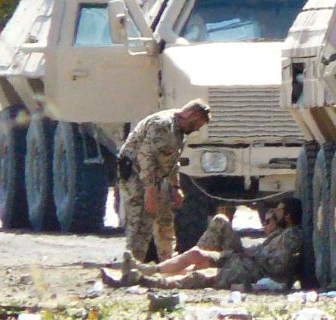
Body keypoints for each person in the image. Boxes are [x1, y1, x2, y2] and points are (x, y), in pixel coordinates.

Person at [103, 198, 303, 290]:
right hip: (242, 261)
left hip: (249, 270)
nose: (272, 215)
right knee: (198, 254)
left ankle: (143, 280)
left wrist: (250, 262)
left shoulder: (291, 237)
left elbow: (278, 266)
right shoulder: (282, 233)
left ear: (288, 216)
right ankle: (149, 270)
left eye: (278, 212)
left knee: (199, 275)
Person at [118, 99, 212, 262]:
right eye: (198, 124)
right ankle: (132, 266)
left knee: (165, 221)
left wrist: (175, 187)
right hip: (136, 173)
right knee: (141, 222)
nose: (197, 129)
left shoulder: (179, 131)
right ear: (193, 115)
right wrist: (150, 191)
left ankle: (166, 264)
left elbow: (170, 160)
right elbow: (145, 158)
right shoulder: (163, 125)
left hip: (156, 176)